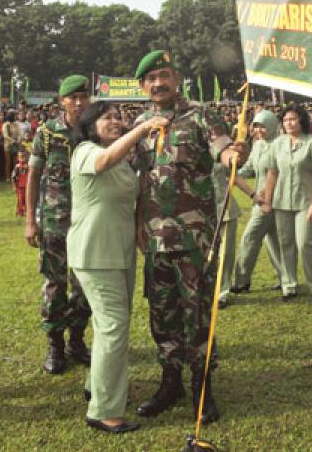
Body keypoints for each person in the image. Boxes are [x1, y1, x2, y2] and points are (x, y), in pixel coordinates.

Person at [132, 51, 241, 422]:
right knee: (162, 315)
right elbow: (138, 180)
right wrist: (137, 226)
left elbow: (223, 148)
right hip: (155, 241)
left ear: (176, 78)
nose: (158, 83)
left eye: (163, 75)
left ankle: (202, 387)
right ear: (143, 86)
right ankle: (170, 381)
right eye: (151, 79)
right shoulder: (141, 123)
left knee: (197, 316)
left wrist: (232, 155)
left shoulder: (201, 115)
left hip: (195, 241)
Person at [68, 102, 168, 434]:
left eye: (117, 117)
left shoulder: (124, 158)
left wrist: (140, 222)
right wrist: (140, 130)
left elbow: (134, 194)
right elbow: (103, 161)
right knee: (113, 325)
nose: (114, 121)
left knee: (110, 324)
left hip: (120, 251)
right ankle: (104, 409)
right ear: (89, 125)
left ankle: (96, 385)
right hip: (94, 251)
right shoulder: (85, 150)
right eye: (106, 117)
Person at [25, 75, 92, 374]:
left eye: (83, 97)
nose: (79, 102)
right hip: (54, 222)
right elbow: (33, 178)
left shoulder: (94, 131)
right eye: (72, 97)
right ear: (62, 100)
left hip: (87, 221)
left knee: (84, 285)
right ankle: (55, 346)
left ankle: (76, 341)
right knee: (54, 284)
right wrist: (30, 220)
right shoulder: (48, 133)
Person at [262, 103, 312, 305]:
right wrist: (267, 200)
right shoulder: (278, 144)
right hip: (282, 202)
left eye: (293, 119)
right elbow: (272, 172)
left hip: (304, 202)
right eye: (285, 120)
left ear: (302, 121)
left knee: (305, 243)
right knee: (286, 244)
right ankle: (289, 285)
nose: (289, 123)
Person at [231, 109, 282, 294]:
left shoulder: (281, 144)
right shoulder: (259, 145)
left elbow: (281, 172)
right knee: (273, 241)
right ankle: (285, 278)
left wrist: (266, 195)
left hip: (272, 200)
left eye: (263, 126)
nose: (259, 130)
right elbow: (250, 167)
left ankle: (242, 281)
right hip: (259, 201)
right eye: (257, 126)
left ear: (273, 126)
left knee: (249, 238)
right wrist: (234, 170)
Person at [209, 121, 241, 309]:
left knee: (226, 253)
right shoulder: (193, 150)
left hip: (225, 208)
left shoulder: (226, 151)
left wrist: (253, 194)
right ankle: (209, 289)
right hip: (202, 211)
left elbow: (234, 175)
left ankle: (223, 291)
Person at [12, 148, 29, 217]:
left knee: (28, 199)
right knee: (20, 199)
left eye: (24, 156)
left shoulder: (29, 166)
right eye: (21, 157)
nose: (22, 158)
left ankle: (27, 211)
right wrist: (14, 186)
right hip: (20, 186)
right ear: (18, 158)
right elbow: (13, 177)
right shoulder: (17, 167)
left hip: (28, 185)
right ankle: (20, 212)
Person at [2, 111, 19, 181]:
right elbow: (5, 136)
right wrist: (12, 140)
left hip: (15, 145)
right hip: (8, 146)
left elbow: (19, 133)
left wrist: (18, 140)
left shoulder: (16, 124)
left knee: (15, 162)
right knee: (8, 162)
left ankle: (14, 176)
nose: (16, 116)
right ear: (11, 116)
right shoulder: (5, 125)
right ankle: (8, 177)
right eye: (15, 115)